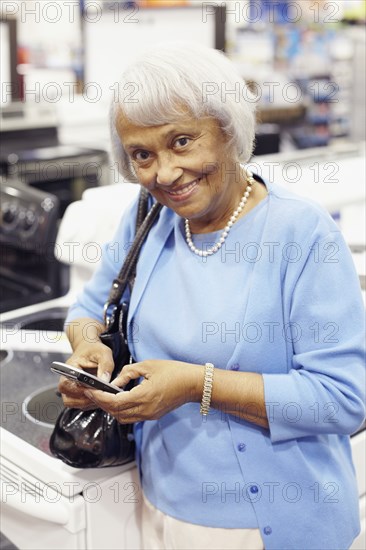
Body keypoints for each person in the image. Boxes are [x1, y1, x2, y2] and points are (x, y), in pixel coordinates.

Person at [59, 42, 365, 550]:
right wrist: (88, 349)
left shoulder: (301, 233)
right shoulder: (149, 218)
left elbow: (342, 399)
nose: (165, 173)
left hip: (274, 524)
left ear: (228, 129)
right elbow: (89, 309)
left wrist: (194, 385)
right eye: (142, 155)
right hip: (161, 509)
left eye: (182, 141)